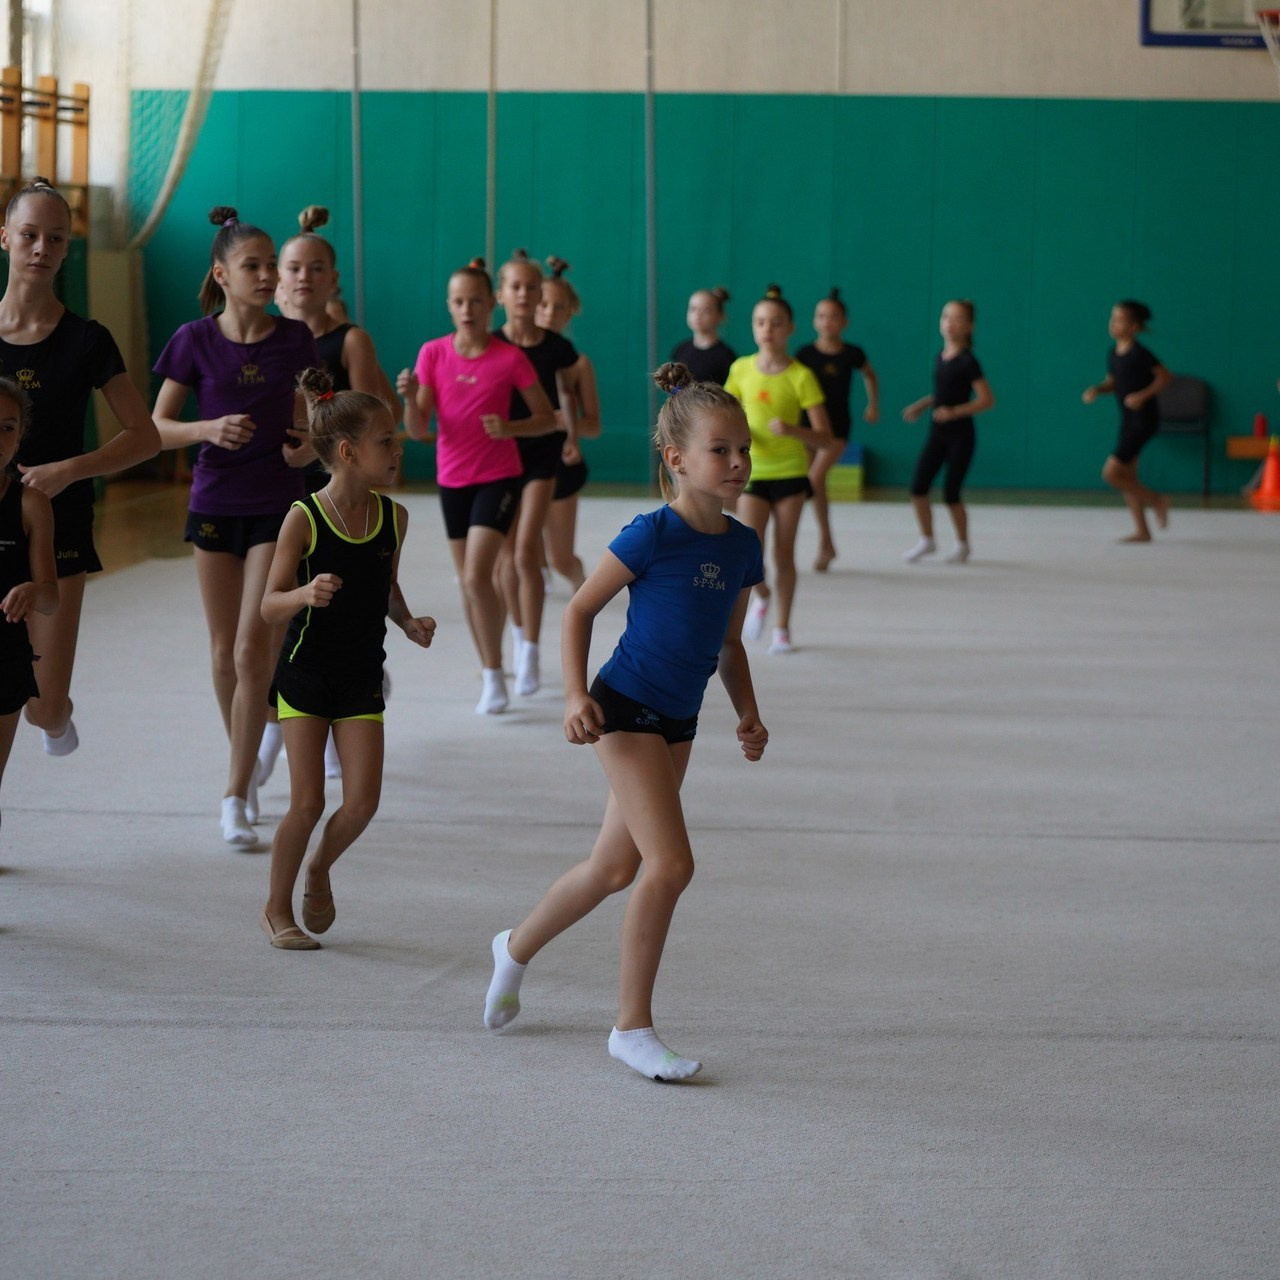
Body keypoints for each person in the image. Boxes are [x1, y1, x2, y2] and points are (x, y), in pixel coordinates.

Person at [483, 361, 768, 1082]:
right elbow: (579, 609)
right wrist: (575, 696)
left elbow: (729, 643)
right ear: (676, 460)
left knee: (613, 867)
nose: (738, 462)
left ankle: (513, 947)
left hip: (679, 719)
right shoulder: (652, 534)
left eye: (744, 449)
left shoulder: (742, 545)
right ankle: (630, 1027)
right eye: (720, 450)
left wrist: (748, 714)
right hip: (623, 708)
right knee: (670, 864)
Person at [153, 207, 319, 848]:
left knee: (256, 650)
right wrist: (205, 429)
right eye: (254, 265)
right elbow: (155, 428)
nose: (267, 274)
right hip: (214, 504)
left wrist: (304, 450)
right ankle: (244, 770)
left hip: (277, 508)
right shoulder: (192, 340)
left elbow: (312, 422)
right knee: (224, 653)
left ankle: (231, 793)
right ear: (221, 274)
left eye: (271, 264)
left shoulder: (294, 339)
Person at [257, 368, 435, 949]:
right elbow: (267, 605)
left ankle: (319, 869)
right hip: (305, 675)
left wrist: (407, 621)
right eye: (386, 440)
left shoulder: (394, 517)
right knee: (308, 800)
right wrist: (304, 594)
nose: (397, 447)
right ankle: (276, 908)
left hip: (362, 677)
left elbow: (383, 584)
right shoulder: (303, 518)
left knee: (361, 802)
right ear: (347, 451)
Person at [0, 177, 159, 756]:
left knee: (39, 703)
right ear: (5, 239)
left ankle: (56, 716)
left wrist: (70, 470)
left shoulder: (87, 340)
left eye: (55, 238)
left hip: (57, 527)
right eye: (29, 235)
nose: (41, 248)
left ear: (68, 249)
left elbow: (144, 437)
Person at [267, 204, 399, 782]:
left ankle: (338, 700)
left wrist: (316, 453)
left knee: (338, 602)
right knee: (274, 616)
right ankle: (277, 729)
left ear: (332, 280)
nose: (303, 278)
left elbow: (372, 418)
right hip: (270, 491)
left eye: (316, 268)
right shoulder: (261, 340)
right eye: (293, 267)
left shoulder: (348, 340)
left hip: (331, 487)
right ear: (277, 278)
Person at [401, 258, 556, 714]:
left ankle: (500, 667)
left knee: (476, 574)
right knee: (472, 587)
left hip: (499, 478)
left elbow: (547, 418)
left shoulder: (510, 357)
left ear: (492, 304)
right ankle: (492, 669)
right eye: (458, 301)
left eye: (475, 300)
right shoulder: (433, 353)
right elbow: (417, 429)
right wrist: (410, 399)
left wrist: (510, 429)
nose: (467, 308)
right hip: (452, 480)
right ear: (449, 306)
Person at [725, 284, 832, 654]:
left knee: (783, 554)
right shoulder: (739, 369)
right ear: (753, 328)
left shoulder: (800, 376)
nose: (767, 329)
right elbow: (725, 417)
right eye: (760, 322)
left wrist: (792, 430)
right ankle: (762, 594)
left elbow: (825, 437)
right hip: (752, 475)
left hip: (789, 474)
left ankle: (782, 628)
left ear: (789, 328)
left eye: (775, 323)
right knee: (747, 552)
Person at [493, 249, 579, 696]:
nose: (525, 294)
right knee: (506, 559)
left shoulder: (556, 346)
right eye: (517, 287)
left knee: (527, 552)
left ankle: (529, 647)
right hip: (498, 460)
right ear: (501, 294)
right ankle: (517, 636)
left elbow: (565, 393)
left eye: (532, 287)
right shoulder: (490, 345)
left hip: (541, 458)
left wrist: (572, 434)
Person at [900, 299, 995, 564]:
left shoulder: (968, 362)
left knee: (951, 492)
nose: (950, 323)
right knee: (918, 488)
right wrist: (923, 404)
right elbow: (943, 393)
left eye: (958, 319)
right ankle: (927, 539)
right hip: (937, 433)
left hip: (961, 436)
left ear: (969, 327)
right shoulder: (940, 358)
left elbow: (987, 400)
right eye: (946, 317)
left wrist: (954, 412)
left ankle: (963, 544)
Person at [0, 377, 58, 810]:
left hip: (5, 652)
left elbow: (51, 597)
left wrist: (32, 590)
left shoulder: (30, 503)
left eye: (8, 427)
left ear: (20, 435)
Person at [795, 287, 879, 572]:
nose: (827, 321)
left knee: (813, 480)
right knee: (815, 487)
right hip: (807, 428)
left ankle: (824, 543)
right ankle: (826, 544)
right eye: (821, 316)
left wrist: (872, 405)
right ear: (814, 321)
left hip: (836, 430)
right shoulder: (805, 354)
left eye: (833, 317)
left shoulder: (852, 353)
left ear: (844, 322)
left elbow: (870, 375)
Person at [1082, 300, 1173, 542]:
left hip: (1144, 420)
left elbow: (1165, 377)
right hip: (1128, 420)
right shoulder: (1113, 353)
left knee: (1111, 474)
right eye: (1112, 318)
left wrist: (1143, 396)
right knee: (1128, 477)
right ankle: (1143, 531)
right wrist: (1097, 389)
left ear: (1134, 327)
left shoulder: (1140, 354)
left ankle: (1157, 500)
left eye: (1120, 319)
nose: (1113, 323)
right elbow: (1113, 382)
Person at [536, 256, 601, 593]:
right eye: (543, 304)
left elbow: (594, 425)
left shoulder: (578, 364)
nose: (549, 312)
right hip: (521, 462)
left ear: (569, 312)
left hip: (561, 464)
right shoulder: (511, 354)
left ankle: (582, 587)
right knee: (523, 548)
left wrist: (567, 423)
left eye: (558, 307)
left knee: (561, 558)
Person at [671, 287, 736, 386]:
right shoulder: (680, 350)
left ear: (720, 316)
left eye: (706, 310)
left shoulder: (726, 357)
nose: (697, 315)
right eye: (693, 309)